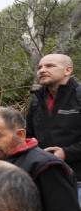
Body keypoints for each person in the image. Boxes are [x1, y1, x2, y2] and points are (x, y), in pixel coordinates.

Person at [26, 54, 81, 201]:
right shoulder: (36, 100)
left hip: (77, 179)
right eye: (39, 67)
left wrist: (66, 153)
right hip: (45, 176)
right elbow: (29, 136)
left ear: (67, 70)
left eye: (49, 66)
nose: (42, 70)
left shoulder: (78, 97)